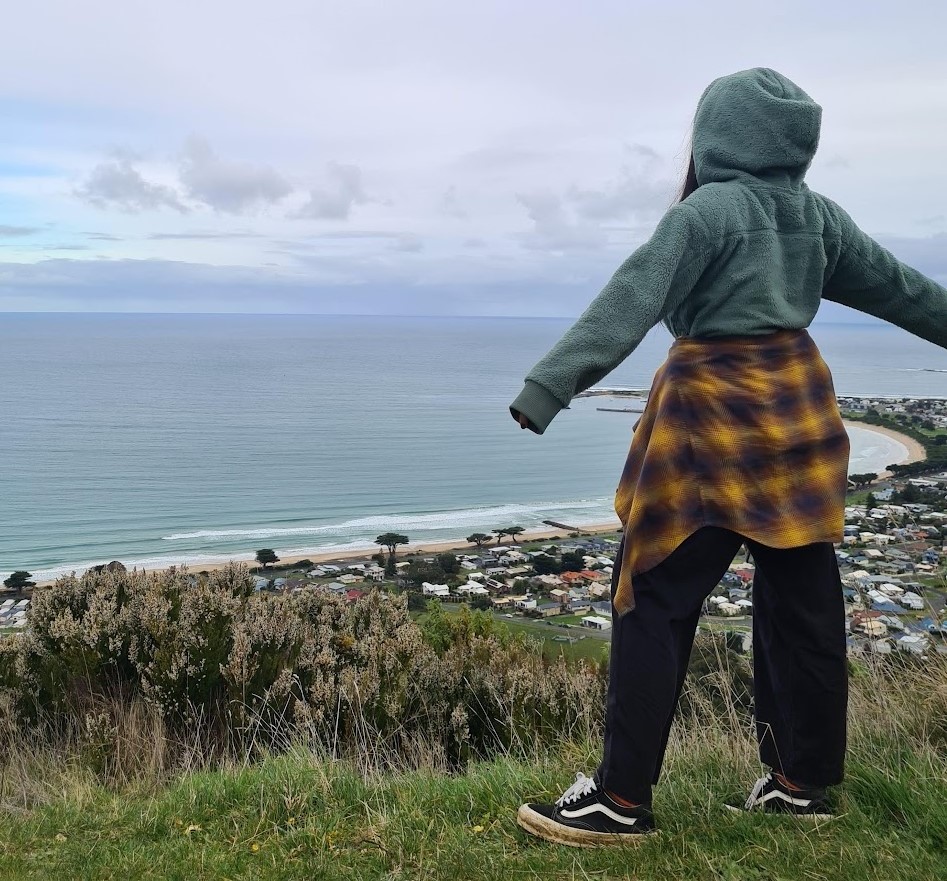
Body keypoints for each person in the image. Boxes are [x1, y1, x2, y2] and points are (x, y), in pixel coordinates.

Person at [508, 67, 947, 848]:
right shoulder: (817, 217)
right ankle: (799, 783)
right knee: (803, 604)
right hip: (798, 412)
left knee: (651, 592)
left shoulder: (709, 211)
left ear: (716, 134)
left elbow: (630, 295)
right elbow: (905, 291)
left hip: (707, 418)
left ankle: (618, 797)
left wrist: (549, 385)